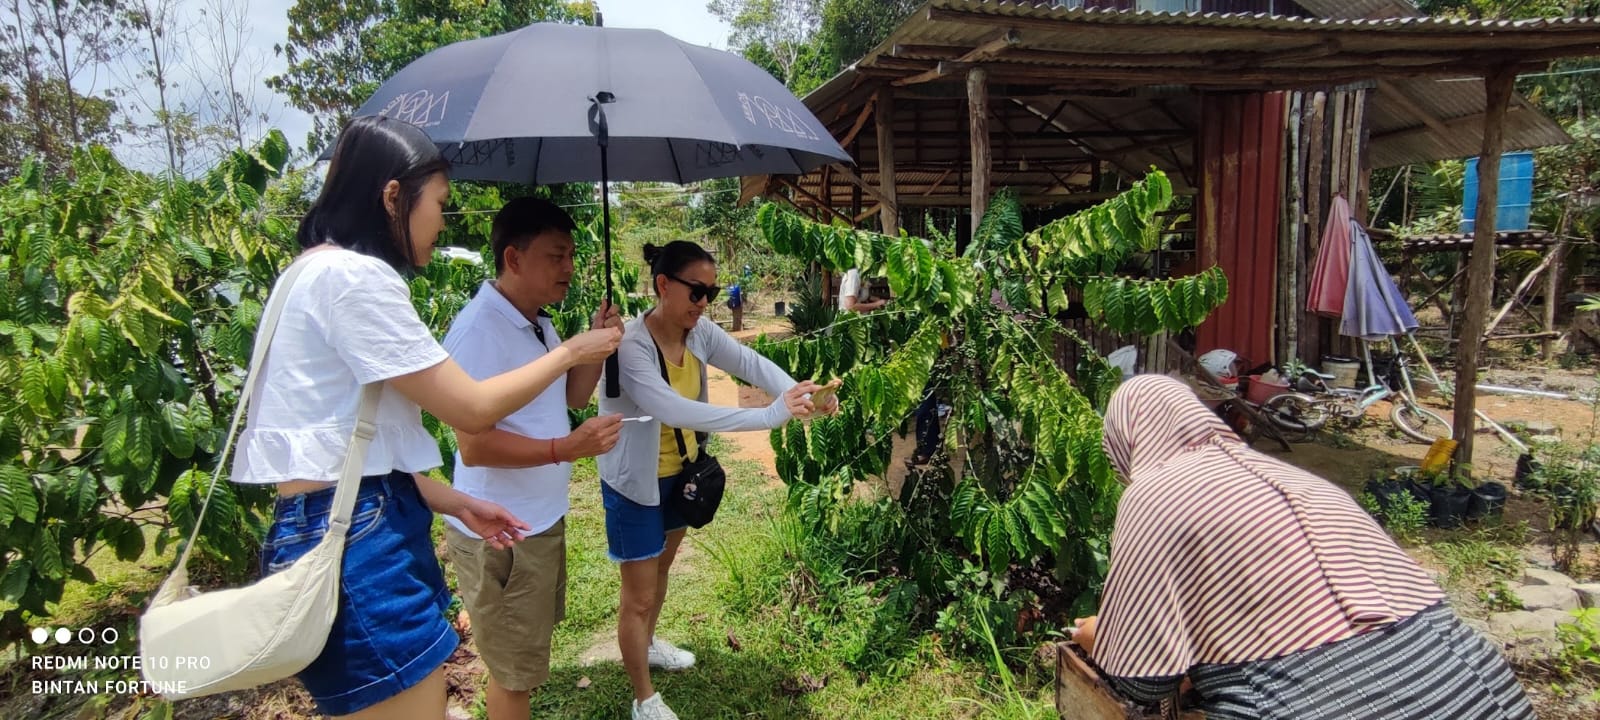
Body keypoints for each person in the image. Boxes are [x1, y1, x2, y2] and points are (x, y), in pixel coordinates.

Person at [232, 115, 623, 720]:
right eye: (438, 203)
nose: (443, 221)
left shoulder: (306, 274)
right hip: (363, 544)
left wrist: (454, 502)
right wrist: (574, 354)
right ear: (394, 197)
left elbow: (348, 458)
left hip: (351, 516)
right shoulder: (353, 279)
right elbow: (470, 413)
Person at [1071, 375, 1533, 720]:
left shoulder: (1155, 491)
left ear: (1123, 440)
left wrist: (1099, 637)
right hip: (1478, 687)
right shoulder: (1296, 479)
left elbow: (1140, 685)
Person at [599, 241, 837, 720]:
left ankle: (647, 645)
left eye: (710, 291)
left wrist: (797, 392)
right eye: (696, 291)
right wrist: (768, 417)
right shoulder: (630, 347)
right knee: (639, 594)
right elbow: (672, 407)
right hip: (635, 483)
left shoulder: (699, 332)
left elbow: (749, 364)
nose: (704, 302)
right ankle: (643, 699)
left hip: (681, 474)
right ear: (664, 286)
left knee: (662, 570)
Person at [439, 197, 623, 720]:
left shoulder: (537, 323)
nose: (568, 267)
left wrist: (598, 344)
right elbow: (472, 443)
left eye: (571, 255)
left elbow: (569, 398)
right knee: (512, 677)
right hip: (502, 533)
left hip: (536, 521)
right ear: (514, 259)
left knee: (522, 662)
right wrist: (563, 449)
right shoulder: (480, 331)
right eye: (556, 255)